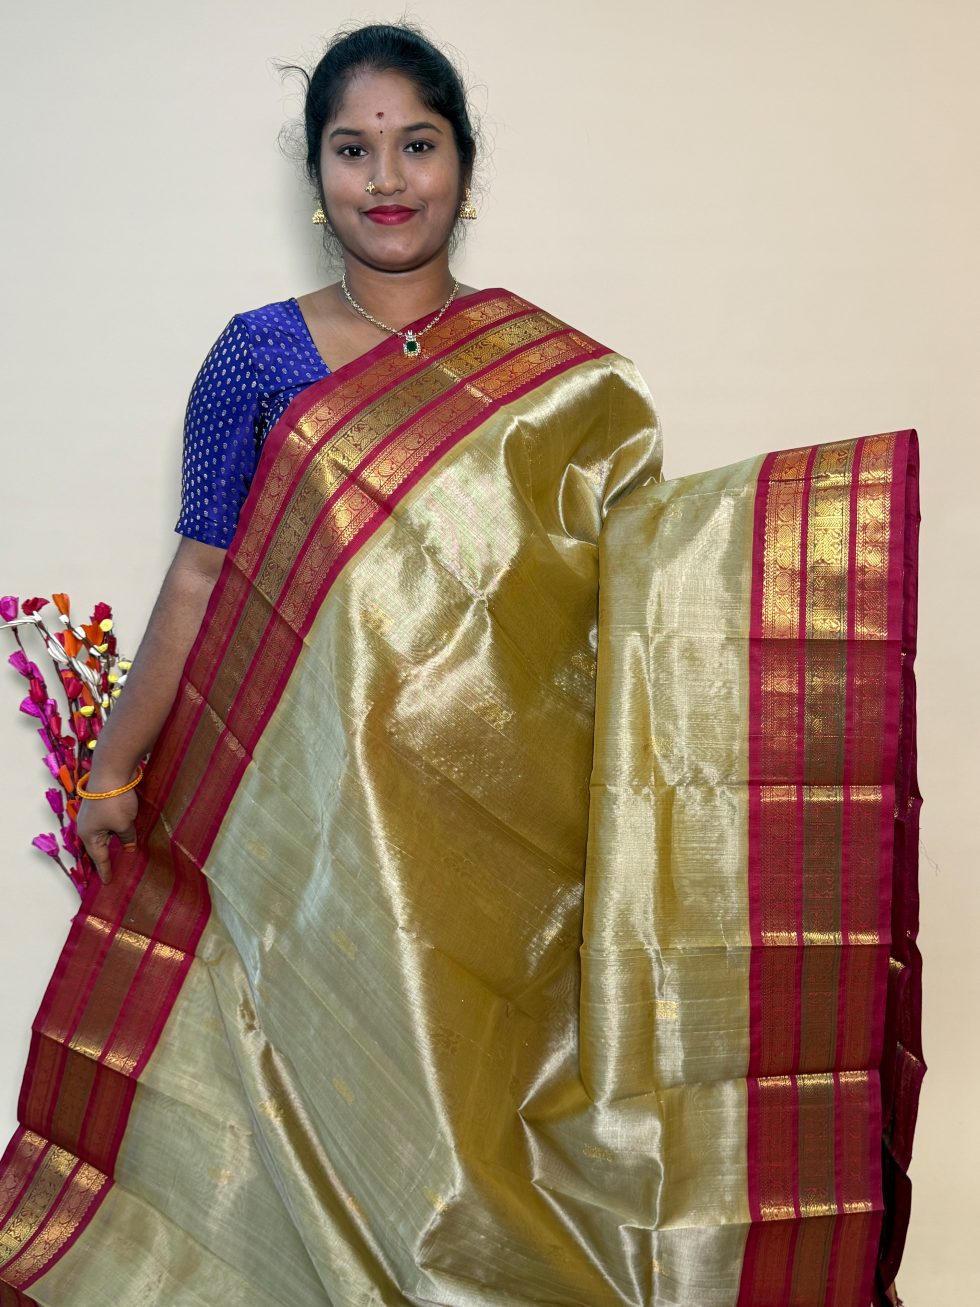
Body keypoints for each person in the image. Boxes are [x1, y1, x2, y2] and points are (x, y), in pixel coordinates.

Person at [0, 23, 919, 1307]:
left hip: (498, 855)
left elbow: (629, 609)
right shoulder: (256, 358)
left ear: (463, 166)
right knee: (312, 1101)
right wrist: (110, 774)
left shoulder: (561, 389)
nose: (386, 178)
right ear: (314, 176)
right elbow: (202, 577)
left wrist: (813, 563)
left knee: (471, 1115)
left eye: (416, 145)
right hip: (307, 837)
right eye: (352, 149)